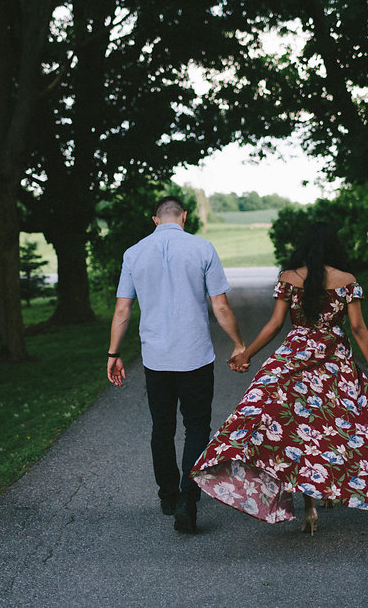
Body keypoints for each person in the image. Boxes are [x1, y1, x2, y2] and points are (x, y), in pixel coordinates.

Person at [191, 222, 368, 535]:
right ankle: (327, 490)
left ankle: (310, 506)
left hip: (296, 356)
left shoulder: (288, 279)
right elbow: (357, 328)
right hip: (335, 360)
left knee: (297, 428)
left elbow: (275, 326)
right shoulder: (347, 281)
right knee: (333, 427)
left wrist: (247, 355)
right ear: (333, 247)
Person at [107, 195, 247, 534]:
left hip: (156, 358)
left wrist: (113, 354)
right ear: (184, 217)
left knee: (162, 427)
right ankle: (189, 497)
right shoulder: (202, 249)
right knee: (196, 426)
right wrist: (239, 344)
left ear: (155, 220)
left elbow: (123, 310)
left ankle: (168, 497)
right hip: (195, 355)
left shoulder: (134, 253)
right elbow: (221, 306)